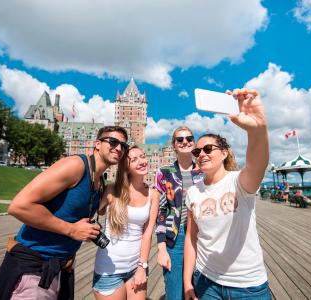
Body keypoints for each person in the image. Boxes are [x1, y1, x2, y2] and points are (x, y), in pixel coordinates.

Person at [0, 126, 129, 300]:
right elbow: (19, 206)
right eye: (113, 142)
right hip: (34, 268)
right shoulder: (76, 165)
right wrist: (71, 230)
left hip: (61, 268)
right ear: (98, 144)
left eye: (123, 146)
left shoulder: (100, 181)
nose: (119, 148)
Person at [183, 88, 271, 299]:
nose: (201, 154)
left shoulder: (239, 181)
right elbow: (191, 237)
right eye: (197, 152)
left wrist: (257, 130)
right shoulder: (193, 192)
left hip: (247, 285)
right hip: (206, 281)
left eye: (208, 149)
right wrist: (187, 281)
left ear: (224, 153)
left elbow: (258, 163)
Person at [93, 145, 159, 300]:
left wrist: (143, 266)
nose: (141, 161)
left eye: (142, 156)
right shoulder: (111, 191)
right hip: (108, 268)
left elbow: (147, 233)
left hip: (136, 266)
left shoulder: (153, 195)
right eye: (134, 159)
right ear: (126, 167)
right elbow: (91, 212)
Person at [155, 126, 204, 300]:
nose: (185, 142)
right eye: (180, 139)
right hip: (173, 237)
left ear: (194, 142)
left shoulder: (203, 172)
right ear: (174, 145)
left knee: (197, 289)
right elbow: (161, 210)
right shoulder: (164, 173)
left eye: (189, 138)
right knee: (174, 290)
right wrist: (161, 247)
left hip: (201, 237)